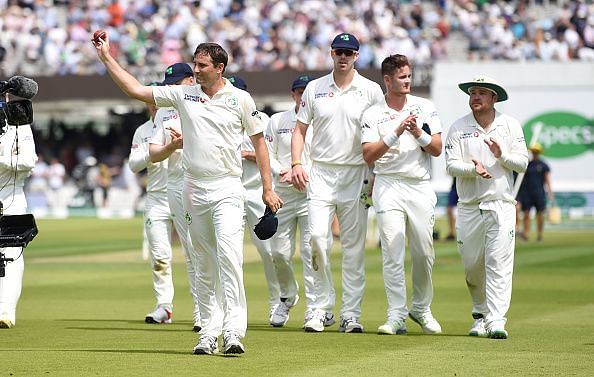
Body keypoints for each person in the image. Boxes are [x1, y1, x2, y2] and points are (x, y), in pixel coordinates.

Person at [92, 34, 282, 355]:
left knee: (229, 257)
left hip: (226, 187)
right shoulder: (184, 95)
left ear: (220, 68)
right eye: (195, 63)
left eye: (203, 65)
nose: (196, 69)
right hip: (194, 188)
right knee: (203, 261)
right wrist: (106, 56)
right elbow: (136, 90)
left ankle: (233, 332)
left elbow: (260, 145)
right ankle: (208, 332)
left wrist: (266, 187)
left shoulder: (240, 100)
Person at [291, 33, 384, 333]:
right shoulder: (315, 88)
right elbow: (300, 130)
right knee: (316, 239)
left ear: (357, 56)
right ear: (331, 54)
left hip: (356, 173)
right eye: (339, 52)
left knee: (354, 248)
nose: (343, 57)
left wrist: (376, 174)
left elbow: (381, 133)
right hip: (320, 173)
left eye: (349, 52)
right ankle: (319, 308)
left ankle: (351, 314)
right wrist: (296, 163)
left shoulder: (370, 91)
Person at [361, 54, 443, 336]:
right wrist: (396, 132)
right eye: (402, 77)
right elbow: (368, 154)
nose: (407, 81)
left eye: (409, 76)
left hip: (419, 185)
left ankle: (421, 308)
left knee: (423, 252)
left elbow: (436, 148)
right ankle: (396, 315)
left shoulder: (425, 107)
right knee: (392, 251)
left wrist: (418, 132)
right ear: (387, 80)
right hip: (387, 185)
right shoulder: (373, 113)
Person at [445, 75, 528, 339]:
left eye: (482, 93)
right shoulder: (459, 127)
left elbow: (522, 163)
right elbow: (450, 165)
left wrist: (501, 156)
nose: (475, 97)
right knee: (472, 266)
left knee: (498, 262)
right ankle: (480, 314)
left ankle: (495, 320)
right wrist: (473, 169)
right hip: (469, 206)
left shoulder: (510, 125)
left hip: (501, 204)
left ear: (494, 98)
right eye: (472, 93)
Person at [267, 74, 335, 328]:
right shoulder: (277, 120)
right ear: (293, 94)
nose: (301, 95)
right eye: (298, 92)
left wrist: (304, 171)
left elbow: (325, 157)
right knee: (279, 253)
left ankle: (316, 307)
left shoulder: (321, 121)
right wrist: (282, 171)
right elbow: (268, 153)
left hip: (311, 193)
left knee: (312, 251)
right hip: (283, 195)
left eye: (305, 91)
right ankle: (288, 295)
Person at [148, 64, 202, 331]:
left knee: (208, 249)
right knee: (191, 251)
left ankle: (220, 308)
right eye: (168, 83)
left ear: (190, 81)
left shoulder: (205, 102)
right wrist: (173, 145)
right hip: (176, 182)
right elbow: (154, 154)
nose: (170, 87)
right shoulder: (165, 112)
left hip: (204, 180)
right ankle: (201, 311)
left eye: (175, 82)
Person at [228, 75, 281, 323]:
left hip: (257, 190)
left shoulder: (262, 119)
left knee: (268, 251)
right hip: (229, 191)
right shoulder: (220, 117)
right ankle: (231, 309)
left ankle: (276, 303)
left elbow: (268, 153)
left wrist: (249, 155)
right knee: (230, 253)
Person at [0, 94, 38, 329]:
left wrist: (3, 161)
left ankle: (4, 312)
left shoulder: (19, 124)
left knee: (12, 255)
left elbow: (28, 160)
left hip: (12, 199)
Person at [517, 143, 553, 242]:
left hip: (539, 193)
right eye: (533, 152)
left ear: (539, 153)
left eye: (536, 152)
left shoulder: (543, 165)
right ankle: (526, 234)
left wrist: (550, 193)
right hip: (527, 193)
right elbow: (521, 179)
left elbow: (548, 180)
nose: (535, 154)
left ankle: (540, 234)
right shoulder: (527, 165)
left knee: (540, 214)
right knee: (526, 214)